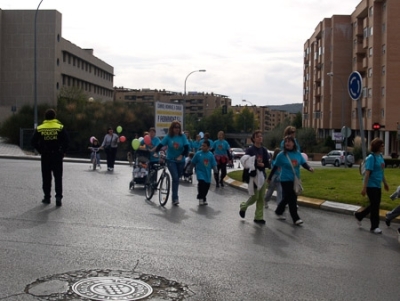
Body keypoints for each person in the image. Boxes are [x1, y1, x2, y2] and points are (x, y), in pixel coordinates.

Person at [269, 135, 314, 225]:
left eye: (289, 141)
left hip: (295, 179)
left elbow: (303, 163)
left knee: (287, 197)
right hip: (285, 179)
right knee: (292, 198)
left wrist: (309, 168)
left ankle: (278, 211)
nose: (287, 143)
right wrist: (269, 178)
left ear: (294, 143)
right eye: (286, 142)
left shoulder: (297, 154)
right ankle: (295, 218)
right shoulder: (281, 155)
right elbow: (275, 167)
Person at [31, 109, 69, 206]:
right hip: (57, 155)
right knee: (58, 177)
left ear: (45, 117)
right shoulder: (60, 127)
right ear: (54, 116)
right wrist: (63, 151)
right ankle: (58, 197)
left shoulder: (40, 128)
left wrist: (40, 150)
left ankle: (47, 197)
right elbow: (67, 140)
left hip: (45, 155)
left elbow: (33, 141)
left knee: (46, 177)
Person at [354, 138, 389, 234]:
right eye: (382, 145)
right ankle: (374, 227)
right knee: (375, 205)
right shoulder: (371, 158)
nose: (383, 147)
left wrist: (385, 183)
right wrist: (364, 188)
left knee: (375, 204)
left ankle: (359, 215)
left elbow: (381, 172)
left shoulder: (380, 157)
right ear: (377, 146)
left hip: (378, 185)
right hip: (370, 185)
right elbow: (367, 174)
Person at [239, 130, 271, 224]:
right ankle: (243, 206)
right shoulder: (250, 150)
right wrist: (256, 164)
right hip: (253, 177)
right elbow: (246, 162)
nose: (260, 138)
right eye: (258, 136)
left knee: (261, 197)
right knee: (255, 196)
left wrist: (263, 165)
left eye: (261, 136)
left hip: (262, 176)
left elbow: (267, 163)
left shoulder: (264, 150)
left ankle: (259, 217)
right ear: (253, 139)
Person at [154, 120, 189, 205]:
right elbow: (161, 144)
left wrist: (181, 155)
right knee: (175, 178)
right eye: (175, 127)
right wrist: (156, 152)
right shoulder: (169, 136)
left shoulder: (182, 136)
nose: (177, 129)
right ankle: (175, 198)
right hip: (171, 160)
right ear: (172, 128)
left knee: (177, 178)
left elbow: (187, 147)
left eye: (178, 127)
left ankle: (174, 196)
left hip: (181, 160)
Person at [191, 141, 217, 206]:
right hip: (200, 172)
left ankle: (204, 198)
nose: (202, 147)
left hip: (207, 174)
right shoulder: (198, 154)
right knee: (201, 183)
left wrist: (215, 170)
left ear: (208, 147)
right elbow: (193, 162)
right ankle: (200, 198)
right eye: (202, 145)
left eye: (204, 146)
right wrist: (189, 169)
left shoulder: (211, 155)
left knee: (206, 187)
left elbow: (214, 164)